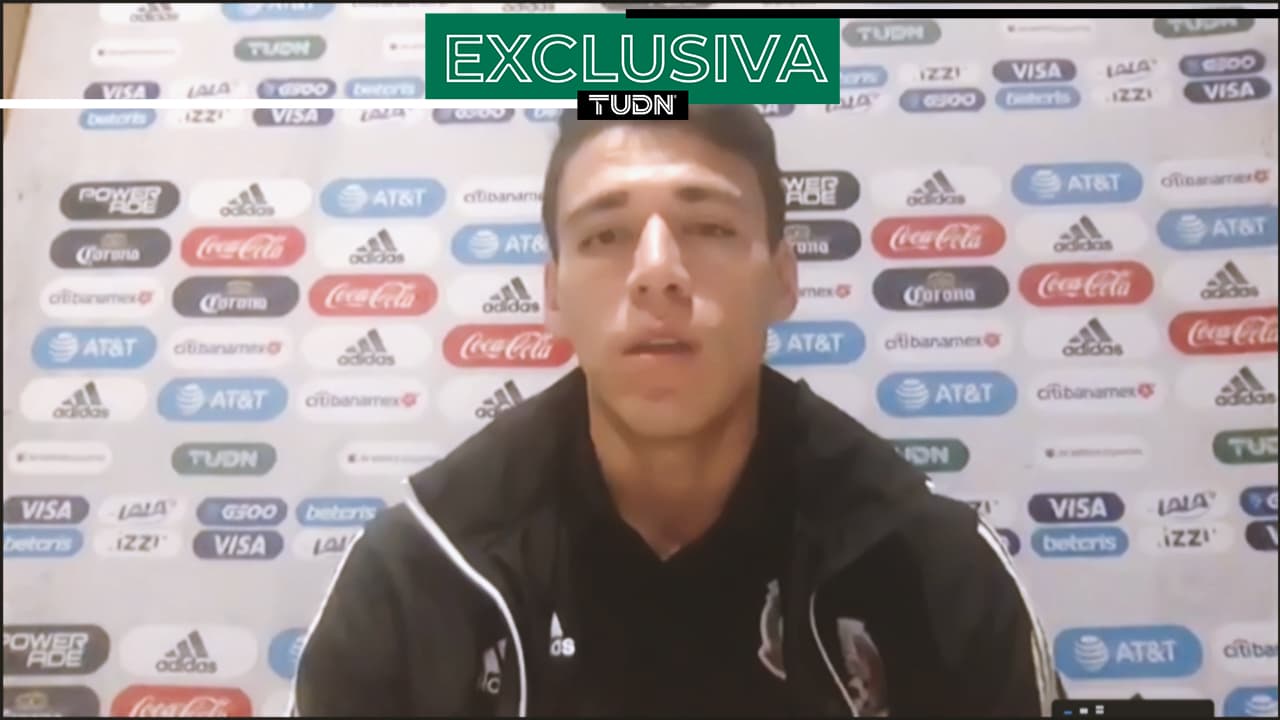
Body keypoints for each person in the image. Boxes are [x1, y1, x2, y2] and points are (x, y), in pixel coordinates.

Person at [289, 104, 1064, 717]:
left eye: (710, 227)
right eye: (606, 234)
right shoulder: (419, 575)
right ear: (553, 295)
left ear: (783, 279)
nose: (657, 271)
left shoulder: (932, 572)